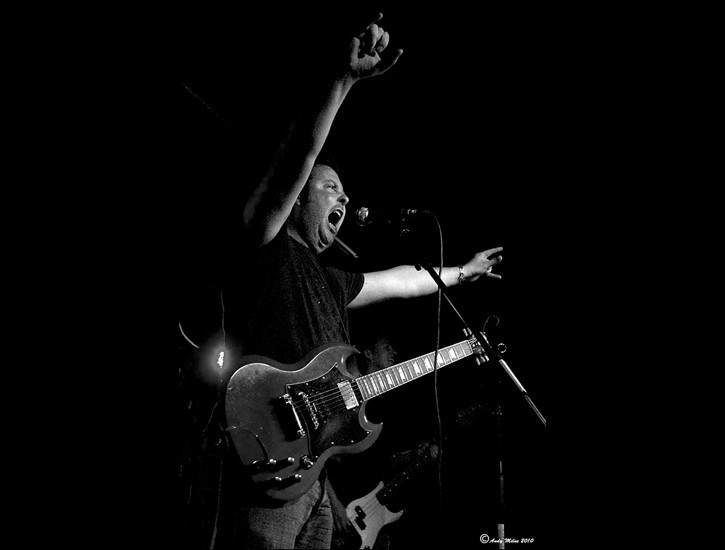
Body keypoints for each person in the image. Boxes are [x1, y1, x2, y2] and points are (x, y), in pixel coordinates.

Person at [218, 13, 503, 549]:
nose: (344, 199)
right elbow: (297, 158)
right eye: (330, 188)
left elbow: (400, 280)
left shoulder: (331, 281)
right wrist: (342, 80)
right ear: (299, 197)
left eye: (345, 194)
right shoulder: (266, 244)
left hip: (311, 475)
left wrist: (462, 273)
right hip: (266, 452)